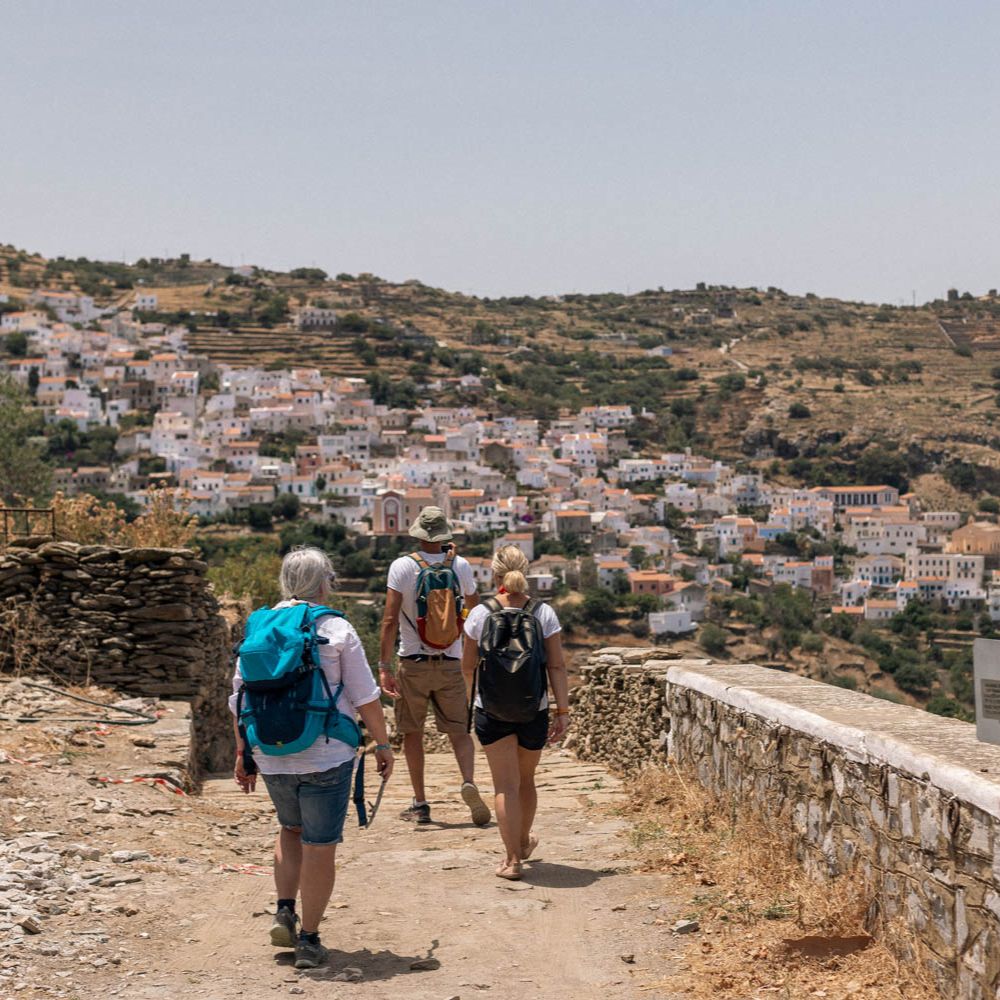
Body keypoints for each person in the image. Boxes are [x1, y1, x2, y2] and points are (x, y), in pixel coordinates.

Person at [229, 546, 394, 970]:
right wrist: (383, 743)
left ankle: (284, 909)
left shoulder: (259, 627)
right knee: (320, 846)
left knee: (289, 829)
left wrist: (243, 753)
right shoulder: (336, 628)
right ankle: (309, 939)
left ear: (285, 581)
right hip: (326, 754)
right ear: (325, 583)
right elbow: (366, 696)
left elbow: (238, 698)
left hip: (270, 754)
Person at [461, 544, 570, 880]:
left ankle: (512, 861)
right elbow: (556, 664)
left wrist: (472, 702)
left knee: (504, 786)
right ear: (526, 570)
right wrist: (562, 710)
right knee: (525, 781)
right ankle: (522, 843)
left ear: (495, 575)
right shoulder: (543, 613)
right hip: (532, 709)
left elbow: (466, 667)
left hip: (490, 710)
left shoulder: (480, 614)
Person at [378, 505, 490, 827]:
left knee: (412, 733)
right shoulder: (462, 566)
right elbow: (476, 614)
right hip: (451, 662)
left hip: (412, 662)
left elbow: (388, 620)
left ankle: (421, 803)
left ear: (417, 533)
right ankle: (468, 779)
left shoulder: (401, 567)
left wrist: (384, 666)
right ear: (444, 535)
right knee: (459, 731)